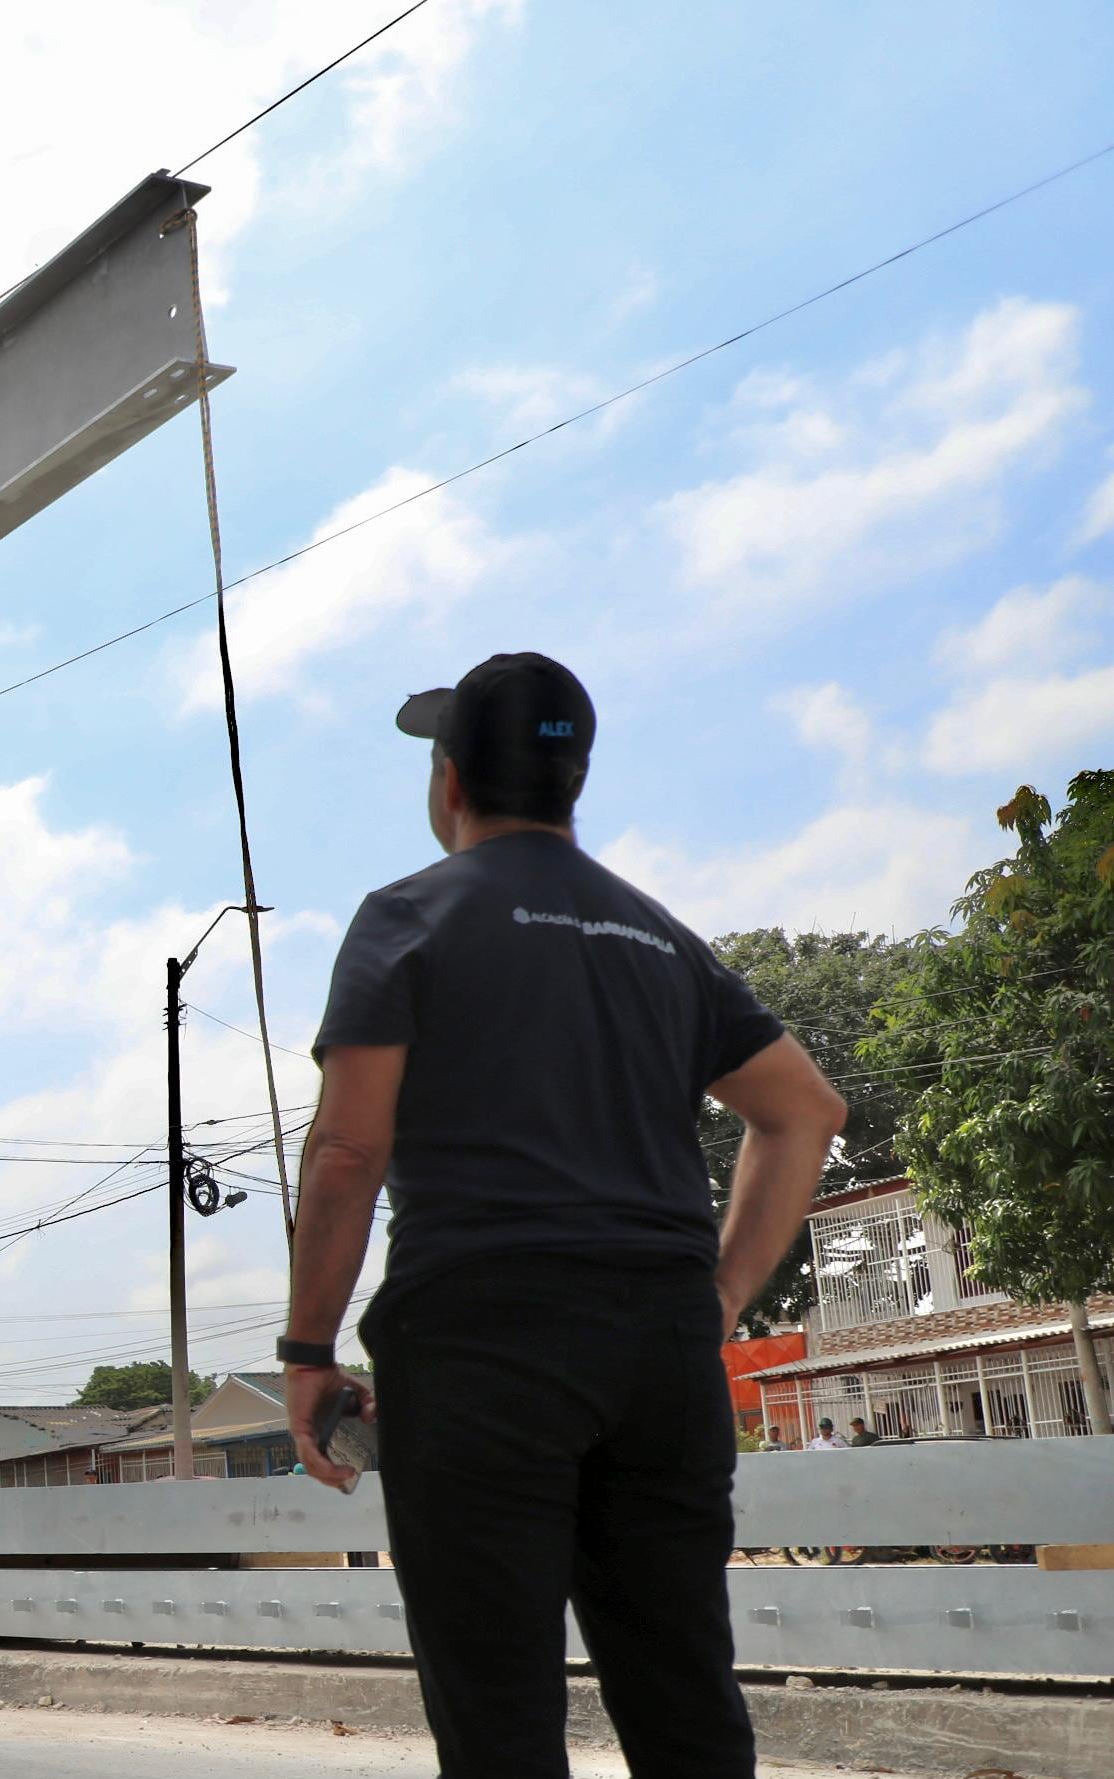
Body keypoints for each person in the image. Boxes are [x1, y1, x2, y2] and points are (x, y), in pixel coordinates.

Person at [281, 652, 847, 1777]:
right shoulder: (659, 937)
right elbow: (804, 1112)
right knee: (684, 1693)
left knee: (500, 1716)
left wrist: (306, 1350)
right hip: (660, 1353)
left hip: (482, 1344)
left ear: (448, 784)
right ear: (570, 786)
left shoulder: (407, 919)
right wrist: (719, 1295)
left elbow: (347, 1149)